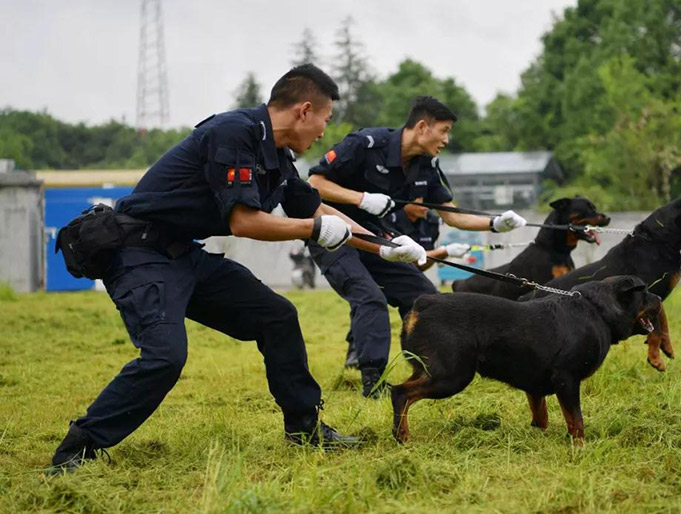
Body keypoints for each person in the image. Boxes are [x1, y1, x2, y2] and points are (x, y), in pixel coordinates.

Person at [48, 64, 428, 474]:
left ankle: (305, 428)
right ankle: (77, 448)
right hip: (139, 256)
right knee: (165, 357)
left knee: (277, 316)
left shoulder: (277, 159)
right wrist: (315, 230)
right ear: (304, 110)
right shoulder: (233, 133)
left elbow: (314, 207)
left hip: (181, 254)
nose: (323, 132)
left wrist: (384, 246)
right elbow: (245, 222)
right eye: (325, 119)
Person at [307, 95, 527, 397]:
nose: (446, 139)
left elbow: (450, 213)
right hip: (334, 233)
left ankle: (430, 367)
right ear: (423, 126)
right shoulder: (366, 144)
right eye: (444, 130)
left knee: (423, 298)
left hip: (376, 236)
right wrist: (360, 198)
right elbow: (315, 183)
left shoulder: (426, 165)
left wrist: (493, 223)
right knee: (369, 297)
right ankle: (372, 381)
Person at [343, 205, 471, 368]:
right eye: (418, 199)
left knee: (427, 295)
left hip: (398, 268)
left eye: (426, 199)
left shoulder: (430, 223)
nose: (424, 204)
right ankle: (358, 354)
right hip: (374, 260)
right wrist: (442, 251)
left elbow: (418, 265)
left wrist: (442, 253)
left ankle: (428, 354)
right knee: (370, 298)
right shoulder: (387, 217)